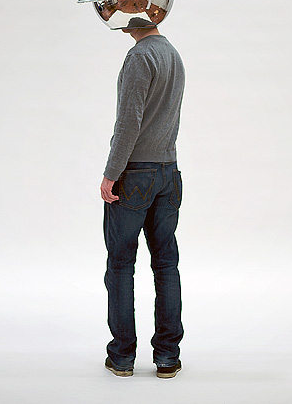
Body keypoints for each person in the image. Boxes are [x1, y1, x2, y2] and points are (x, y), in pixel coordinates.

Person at [100, 19, 185, 379]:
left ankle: (122, 357)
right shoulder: (172, 55)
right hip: (169, 171)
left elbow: (129, 122)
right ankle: (167, 357)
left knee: (121, 265)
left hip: (135, 174)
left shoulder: (140, 56)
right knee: (166, 264)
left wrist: (111, 172)